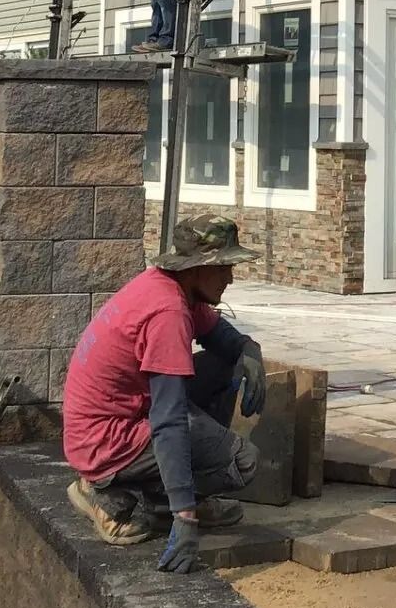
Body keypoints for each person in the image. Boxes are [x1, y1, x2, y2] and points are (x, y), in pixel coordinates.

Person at [61, 215, 269, 574]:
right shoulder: (168, 314)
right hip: (105, 442)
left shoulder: (170, 287)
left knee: (222, 365)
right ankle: (114, 495)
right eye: (223, 269)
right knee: (243, 461)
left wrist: (249, 350)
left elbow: (218, 334)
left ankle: (164, 493)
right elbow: (169, 421)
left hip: (114, 418)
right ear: (197, 267)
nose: (230, 278)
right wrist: (185, 517)